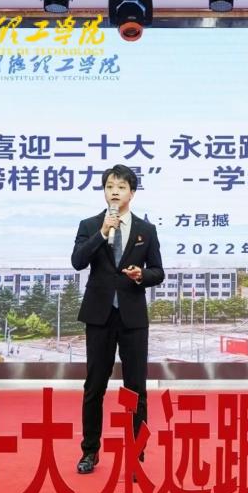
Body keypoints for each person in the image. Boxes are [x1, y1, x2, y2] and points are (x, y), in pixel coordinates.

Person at [71, 164, 164, 474]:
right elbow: (78, 261)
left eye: (122, 187)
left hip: (132, 317)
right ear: (104, 191)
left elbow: (158, 272)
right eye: (110, 186)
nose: (115, 192)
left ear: (132, 193)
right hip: (99, 315)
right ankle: (90, 451)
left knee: (135, 387)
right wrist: (102, 233)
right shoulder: (90, 225)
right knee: (94, 385)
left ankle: (136, 454)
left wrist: (141, 276)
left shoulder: (146, 230)